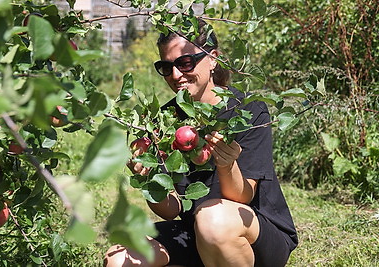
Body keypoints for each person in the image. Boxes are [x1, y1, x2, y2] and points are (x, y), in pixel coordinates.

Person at [104, 19, 298, 267]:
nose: (175, 75)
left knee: (212, 219)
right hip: (195, 231)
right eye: (166, 67)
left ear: (213, 58)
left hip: (252, 233)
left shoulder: (247, 111)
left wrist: (227, 166)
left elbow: (243, 197)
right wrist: (149, 181)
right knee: (119, 258)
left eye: (185, 63)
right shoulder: (165, 121)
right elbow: (171, 209)